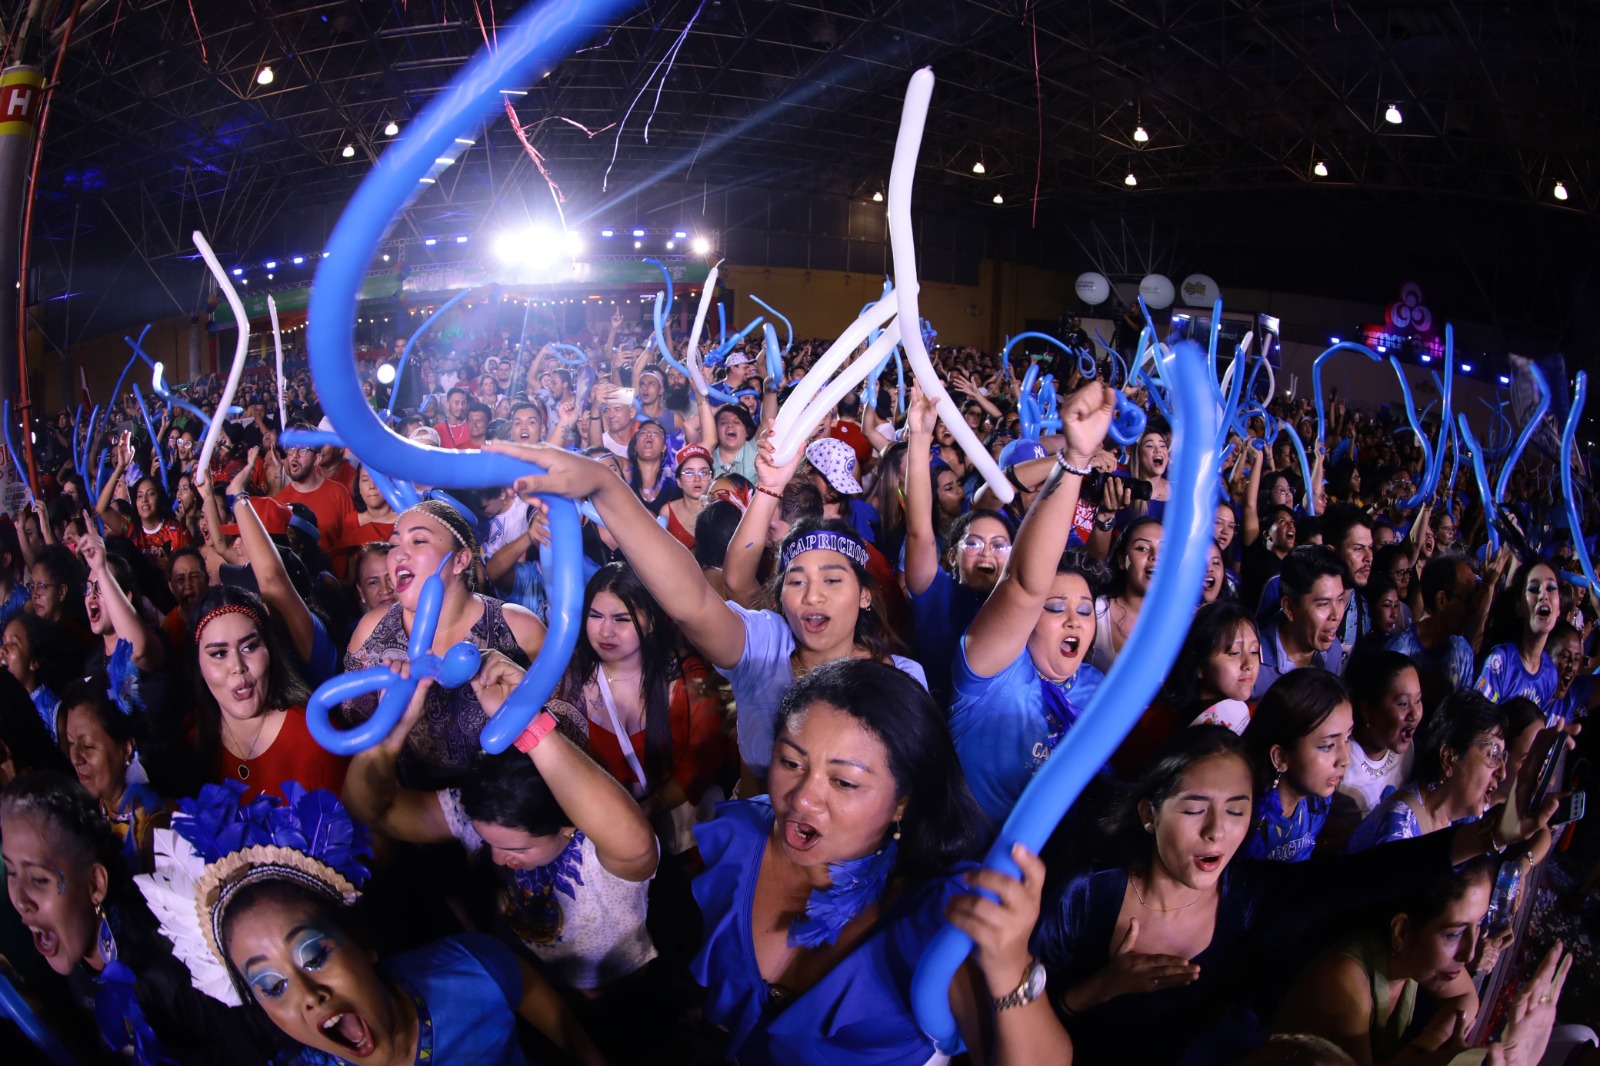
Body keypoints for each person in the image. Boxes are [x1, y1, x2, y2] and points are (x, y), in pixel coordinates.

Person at [1032, 724, 1558, 1065]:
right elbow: (1014, 1018)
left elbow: (1364, 877)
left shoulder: (1244, 895)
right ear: (1150, 814)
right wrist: (1098, 989)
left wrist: (1492, 835)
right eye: (1194, 809)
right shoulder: (1086, 897)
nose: (1217, 832)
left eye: (1236, 810)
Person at [482, 438, 926, 798]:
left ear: (864, 596)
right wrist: (606, 486)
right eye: (796, 581)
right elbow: (692, 600)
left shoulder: (902, 678)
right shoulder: (766, 646)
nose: (812, 595)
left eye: (832, 580)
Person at [689, 660, 1065, 1065]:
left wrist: (1012, 968)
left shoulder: (944, 914)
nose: (802, 799)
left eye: (844, 782)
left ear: (901, 803)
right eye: (791, 763)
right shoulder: (738, 839)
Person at [138, 777, 604, 1065]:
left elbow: (569, 1034)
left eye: (314, 955)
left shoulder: (475, 968)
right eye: (272, 986)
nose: (309, 996)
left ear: (361, 943)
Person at [343, 651, 668, 1054]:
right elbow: (372, 811)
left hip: (620, 1007)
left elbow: (635, 840)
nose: (497, 858)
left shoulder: (601, 854)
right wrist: (390, 731)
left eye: (516, 848)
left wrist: (527, 721)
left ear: (567, 826)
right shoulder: (484, 814)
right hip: (533, 1001)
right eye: (490, 843)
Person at [1, 773, 279, 1063]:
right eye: (12, 872)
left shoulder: (166, 972)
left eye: (39, 879)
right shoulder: (71, 957)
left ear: (95, 884)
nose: (19, 900)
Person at [949, 379, 1116, 824]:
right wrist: (1074, 460)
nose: (1074, 621)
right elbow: (1024, 585)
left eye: (1085, 611)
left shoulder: (1097, 688)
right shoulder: (991, 671)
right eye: (1056, 608)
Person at [1272, 861, 1574, 1066]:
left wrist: (1421, 1050)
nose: (1469, 953)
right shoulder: (1342, 982)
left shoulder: (1412, 960)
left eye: (1479, 925)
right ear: (1402, 931)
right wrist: (1444, 1059)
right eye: (1454, 934)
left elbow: (1465, 999)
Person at [344, 500, 546, 789]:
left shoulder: (520, 629)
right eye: (394, 544)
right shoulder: (370, 631)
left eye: (418, 540)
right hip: (406, 805)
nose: (398, 554)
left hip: (506, 806)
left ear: (461, 560)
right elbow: (355, 740)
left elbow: (565, 738)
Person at [545, 563, 728, 850]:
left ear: (651, 621)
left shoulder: (688, 680)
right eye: (595, 616)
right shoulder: (567, 678)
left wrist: (651, 806)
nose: (605, 631)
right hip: (598, 834)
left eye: (621, 619)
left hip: (676, 837)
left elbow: (701, 762)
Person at [903, 386, 1014, 699]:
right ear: (952, 556)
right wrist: (920, 437)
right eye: (974, 543)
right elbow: (919, 530)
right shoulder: (935, 591)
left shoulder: (1016, 603)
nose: (987, 553)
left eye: (999, 545)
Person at [189, 585, 347, 800]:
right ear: (198, 666)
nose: (238, 666)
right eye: (219, 653)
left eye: (249, 647)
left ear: (269, 651)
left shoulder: (317, 738)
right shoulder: (192, 748)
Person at [1345, 691, 1509, 850]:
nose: (1502, 774)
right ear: (1448, 759)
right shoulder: (1400, 832)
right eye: (1493, 755)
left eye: (1503, 757)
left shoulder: (1454, 823)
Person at [1240, 669, 1353, 861]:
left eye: (1348, 737)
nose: (1345, 759)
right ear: (1280, 757)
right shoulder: (1246, 819)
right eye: (1327, 745)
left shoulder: (1318, 803)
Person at [58, 681, 168, 873]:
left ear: (126, 748)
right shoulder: (91, 809)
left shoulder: (154, 829)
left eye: (87, 746)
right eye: (71, 743)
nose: (75, 758)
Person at [1254, 546, 1351, 696]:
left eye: (1339, 600)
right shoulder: (1253, 663)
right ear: (1289, 608)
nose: (1337, 615)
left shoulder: (1333, 651)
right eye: (1324, 604)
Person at [1385, 557, 1481, 709]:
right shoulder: (1398, 653)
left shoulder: (1463, 651)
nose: (1473, 609)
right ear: (1442, 600)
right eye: (1467, 599)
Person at [1339, 652, 1423, 820]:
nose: (1414, 714)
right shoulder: (1340, 763)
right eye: (1403, 704)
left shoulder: (1407, 749)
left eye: (1418, 701)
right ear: (1367, 710)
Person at [1475, 559, 1561, 711]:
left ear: (1559, 609)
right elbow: (1477, 721)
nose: (1543, 595)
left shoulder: (1550, 674)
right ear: (1519, 607)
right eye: (1534, 589)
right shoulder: (1500, 662)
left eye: (1551, 588)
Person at [1090, 518, 1163, 672]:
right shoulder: (1095, 610)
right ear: (1122, 560)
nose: (1155, 556)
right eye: (1142, 548)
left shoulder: (1182, 621)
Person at [660, 443, 714, 550]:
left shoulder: (722, 509)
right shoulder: (667, 512)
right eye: (689, 473)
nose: (697, 479)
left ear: (711, 478)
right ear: (679, 481)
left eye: (703, 472)